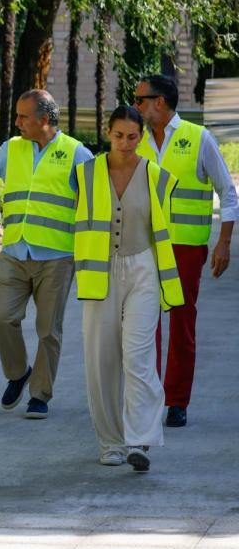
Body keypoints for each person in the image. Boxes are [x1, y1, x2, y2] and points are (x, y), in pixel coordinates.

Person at [0, 90, 93, 419]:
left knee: (49, 330)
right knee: (3, 318)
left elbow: (95, 204)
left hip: (57, 256)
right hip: (16, 251)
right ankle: (19, 373)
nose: (16, 122)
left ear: (44, 120)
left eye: (23, 117)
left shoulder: (77, 153)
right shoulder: (13, 149)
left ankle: (40, 394)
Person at [75, 105, 184, 472]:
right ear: (107, 133)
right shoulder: (85, 173)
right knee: (101, 361)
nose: (125, 143)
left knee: (138, 358)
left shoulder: (157, 175)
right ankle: (111, 443)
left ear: (141, 138)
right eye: (118, 135)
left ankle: (141, 440)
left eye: (133, 137)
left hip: (143, 270)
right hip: (98, 272)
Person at [133, 74, 238, 428]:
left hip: (186, 248)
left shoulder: (198, 139)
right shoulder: (137, 140)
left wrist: (223, 242)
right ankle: (148, 398)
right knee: (145, 323)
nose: (135, 106)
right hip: (144, 245)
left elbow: (229, 193)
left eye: (139, 100)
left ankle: (177, 401)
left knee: (180, 323)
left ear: (158, 102)